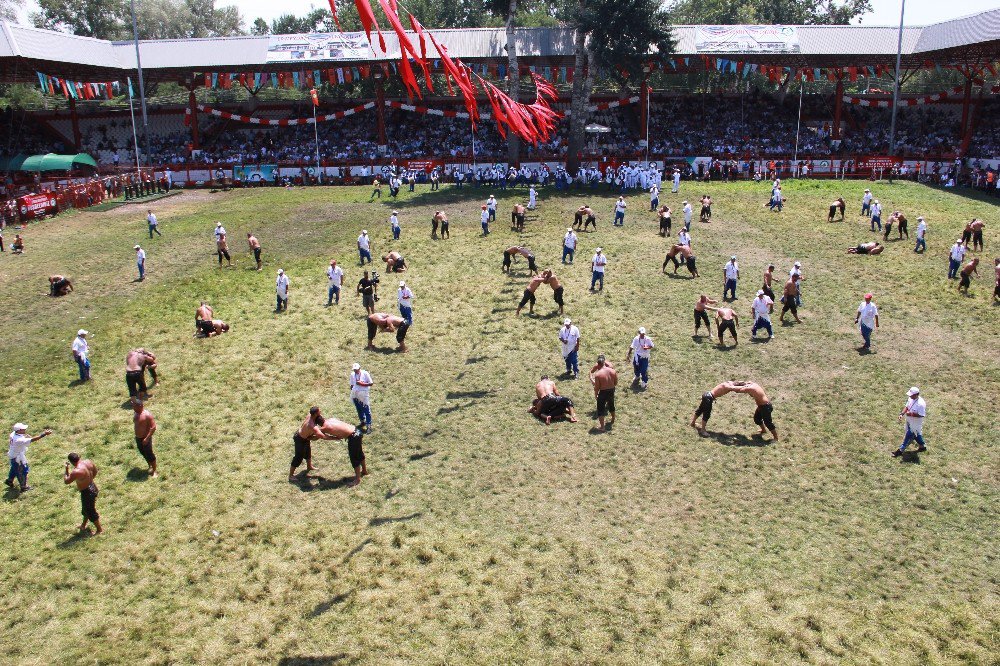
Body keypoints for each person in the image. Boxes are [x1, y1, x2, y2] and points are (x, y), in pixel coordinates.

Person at [317, 415, 368, 487]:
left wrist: (333, 438)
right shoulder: (332, 419)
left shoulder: (324, 428)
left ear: (318, 424)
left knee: (354, 458)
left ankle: (357, 479)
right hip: (357, 431)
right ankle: (364, 471)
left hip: (353, 437)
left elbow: (318, 436)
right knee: (359, 453)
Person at [289, 406, 332, 481]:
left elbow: (322, 421)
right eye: (319, 411)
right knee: (298, 457)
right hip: (299, 439)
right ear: (315, 414)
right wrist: (335, 438)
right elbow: (322, 436)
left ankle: (309, 466)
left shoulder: (311, 415)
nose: (320, 412)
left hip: (305, 437)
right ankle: (291, 475)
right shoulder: (311, 425)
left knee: (308, 452)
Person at [6, 423, 52, 492]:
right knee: (23, 471)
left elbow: (23, 437)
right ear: (18, 430)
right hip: (17, 457)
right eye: (23, 429)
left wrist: (25, 436)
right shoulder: (19, 440)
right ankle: (24, 487)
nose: (25, 429)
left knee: (14, 468)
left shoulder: (13, 434)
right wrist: (44, 434)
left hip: (13, 455)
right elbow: (33, 439)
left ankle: (9, 480)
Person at [64, 452, 102, 534]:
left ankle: (99, 530)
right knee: (86, 509)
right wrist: (89, 480)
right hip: (93, 486)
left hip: (87, 492)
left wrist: (66, 470)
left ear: (71, 462)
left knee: (90, 511)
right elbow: (95, 471)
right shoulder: (88, 462)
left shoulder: (76, 471)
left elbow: (67, 481)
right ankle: (83, 525)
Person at [893, 387, 927, 457]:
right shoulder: (910, 398)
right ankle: (922, 446)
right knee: (916, 435)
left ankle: (900, 450)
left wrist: (911, 414)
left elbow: (921, 415)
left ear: (916, 394)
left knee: (909, 435)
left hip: (915, 423)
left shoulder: (921, 404)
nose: (910, 396)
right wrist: (902, 414)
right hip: (909, 420)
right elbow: (907, 406)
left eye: (911, 395)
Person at [589, 355, 618, 431]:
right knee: (611, 405)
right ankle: (613, 420)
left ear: (598, 364)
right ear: (604, 362)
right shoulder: (613, 371)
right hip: (611, 390)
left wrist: (596, 395)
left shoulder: (598, 374)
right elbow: (615, 382)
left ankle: (602, 427)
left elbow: (597, 388)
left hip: (603, 392)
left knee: (601, 409)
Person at [131, 398, 157, 477]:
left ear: (140, 406)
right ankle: (150, 465)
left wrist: (147, 438)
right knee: (142, 452)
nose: (133, 407)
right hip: (138, 438)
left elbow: (153, 427)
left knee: (149, 454)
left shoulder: (147, 415)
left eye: (134, 406)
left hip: (146, 439)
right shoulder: (136, 413)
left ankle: (155, 470)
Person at [349, 363, 374, 431]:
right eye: (354, 370)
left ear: (359, 368)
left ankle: (369, 425)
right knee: (359, 409)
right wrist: (353, 392)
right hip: (355, 394)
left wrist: (362, 384)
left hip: (363, 394)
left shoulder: (365, 373)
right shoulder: (352, 374)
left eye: (356, 369)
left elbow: (371, 383)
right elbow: (351, 385)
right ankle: (362, 422)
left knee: (366, 409)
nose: (355, 371)